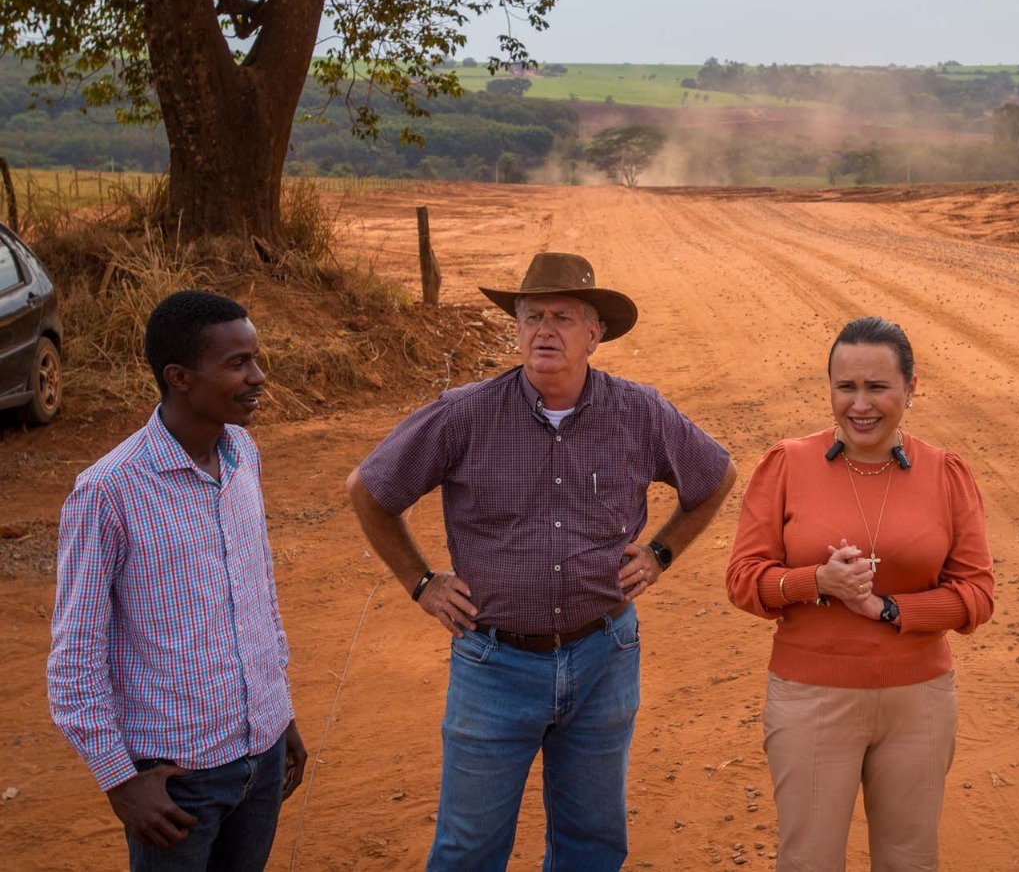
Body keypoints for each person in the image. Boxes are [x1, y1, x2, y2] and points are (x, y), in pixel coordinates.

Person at [346, 250, 737, 872]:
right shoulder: (465, 413)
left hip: (603, 653)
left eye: (562, 317)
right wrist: (420, 582)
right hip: (493, 663)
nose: (544, 331)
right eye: (531, 317)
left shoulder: (638, 411)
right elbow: (370, 489)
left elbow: (715, 475)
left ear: (594, 333)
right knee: (468, 850)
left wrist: (662, 551)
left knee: (592, 843)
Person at [48, 290, 306, 871]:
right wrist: (120, 782)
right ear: (180, 377)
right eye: (238, 363)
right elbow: (74, 659)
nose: (258, 376)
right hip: (176, 781)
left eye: (256, 359)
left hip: (261, 756)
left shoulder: (243, 454)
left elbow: (256, 597)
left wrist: (278, 712)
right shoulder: (108, 492)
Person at [727, 316, 994, 872]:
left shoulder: (945, 473)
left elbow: (976, 595)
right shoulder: (786, 464)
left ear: (910, 389)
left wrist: (890, 608)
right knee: (809, 861)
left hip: (918, 700)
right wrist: (815, 582)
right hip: (810, 698)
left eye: (878, 387)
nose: (860, 404)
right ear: (830, 389)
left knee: (910, 859)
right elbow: (744, 580)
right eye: (846, 387)